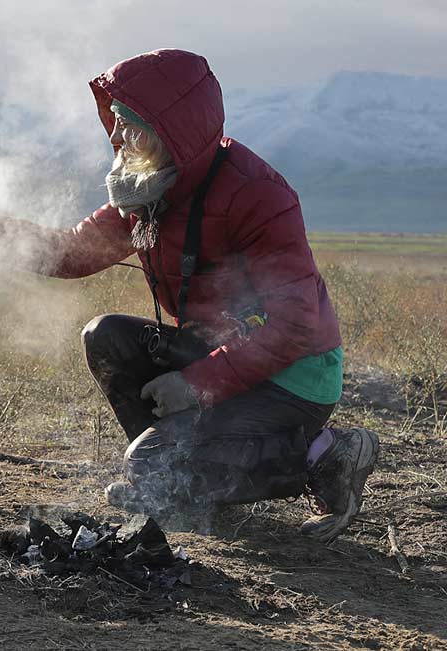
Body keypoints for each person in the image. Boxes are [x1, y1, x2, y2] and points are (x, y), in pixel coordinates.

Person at [40, 49, 377, 540]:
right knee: (107, 336)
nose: (115, 138)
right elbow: (70, 253)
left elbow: (293, 325)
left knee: (154, 466)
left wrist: (197, 384)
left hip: (293, 375)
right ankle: (174, 475)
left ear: (174, 135)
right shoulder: (151, 189)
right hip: (221, 350)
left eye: (130, 125)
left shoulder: (256, 194)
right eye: (114, 121)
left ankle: (326, 455)